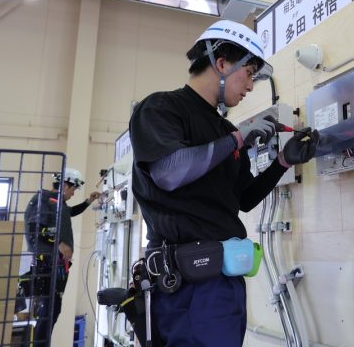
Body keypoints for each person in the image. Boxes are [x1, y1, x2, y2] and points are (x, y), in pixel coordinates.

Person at [129, 19, 320, 347]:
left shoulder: (222, 130)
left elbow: (242, 199)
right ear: (222, 63)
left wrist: (283, 163)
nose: (250, 86)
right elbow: (170, 172)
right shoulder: (162, 107)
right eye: (249, 73)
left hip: (221, 282)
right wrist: (237, 139)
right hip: (184, 285)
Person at [22, 168, 102, 346]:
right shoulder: (43, 198)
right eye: (73, 189)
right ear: (65, 185)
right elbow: (34, 228)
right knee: (48, 311)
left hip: (58, 266)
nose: (73, 193)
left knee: (53, 311)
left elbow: (69, 213)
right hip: (47, 265)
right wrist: (59, 243)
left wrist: (88, 201)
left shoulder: (59, 203)